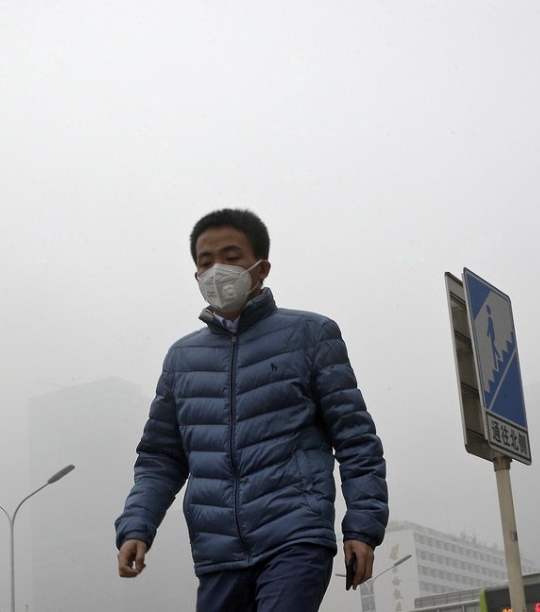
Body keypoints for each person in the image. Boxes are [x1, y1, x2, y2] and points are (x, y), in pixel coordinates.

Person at [115, 208, 388, 612]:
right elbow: (161, 457)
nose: (217, 270)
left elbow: (355, 440)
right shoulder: (181, 359)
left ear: (261, 268)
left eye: (231, 256)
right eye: (205, 262)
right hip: (217, 551)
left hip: (295, 536)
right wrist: (137, 524)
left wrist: (362, 526)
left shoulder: (311, 335)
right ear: (195, 276)